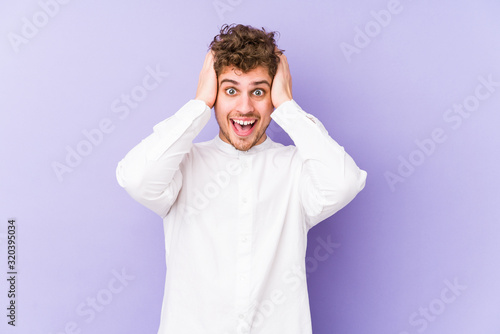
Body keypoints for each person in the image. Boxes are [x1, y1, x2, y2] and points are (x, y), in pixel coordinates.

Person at [116, 23, 367, 334]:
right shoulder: (182, 164)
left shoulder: (296, 168)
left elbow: (345, 182)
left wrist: (288, 107)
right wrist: (199, 105)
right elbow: (136, 178)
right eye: (231, 90)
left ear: (273, 95)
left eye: (258, 91)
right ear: (215, 94)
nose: (245, 107)